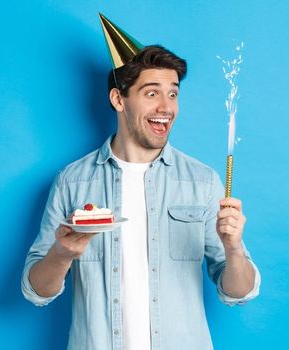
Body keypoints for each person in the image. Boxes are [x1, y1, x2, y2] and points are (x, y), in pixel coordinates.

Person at [21, 14, 261, 350]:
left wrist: (234, 248)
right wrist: (62, 254)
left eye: (173, 94)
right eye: (151, 94)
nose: (167, 107)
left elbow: (238, 291)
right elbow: (36, 290)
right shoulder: (72, 182)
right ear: (119, 100)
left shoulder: (202, 182)